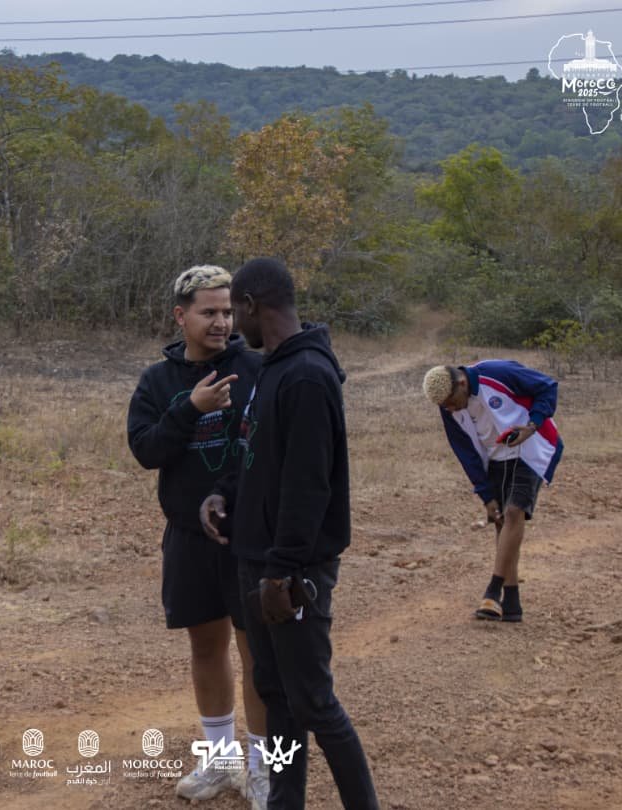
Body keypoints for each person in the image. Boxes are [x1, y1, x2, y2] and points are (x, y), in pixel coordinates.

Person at [200, 257, 379, 810]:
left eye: (236, 310)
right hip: (261, 559)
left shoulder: (305, 375)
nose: (233, 324)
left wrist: (282, 571)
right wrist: (225, 493)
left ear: (253, 304)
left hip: (292, 569)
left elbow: (308, 484)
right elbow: (260, 456)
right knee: (276, 697)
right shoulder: (274, 368)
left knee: (314, 703)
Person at [127, 265, 269, 807]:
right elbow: (146, 451)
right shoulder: (158, 382)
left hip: (249, 536)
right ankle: (220, 760)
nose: (222, 323)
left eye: (228, 312)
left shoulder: (255, 367)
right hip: (188, 535)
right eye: (209, 312)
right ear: (180, 316)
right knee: (206, 646)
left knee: (257, 653)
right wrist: (190, 408)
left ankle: (263, 770)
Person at [422, 361, 563, 623]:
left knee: (513, 513)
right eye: (444, 406)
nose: (450, 409)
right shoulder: (448, 407)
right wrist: (485, 494)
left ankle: (493, 590)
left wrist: (531, 425)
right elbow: (464, 451)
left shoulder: (497, 373)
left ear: (461, 383)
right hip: (495, 460)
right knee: (501, 521)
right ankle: (512, 603)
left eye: (451, 402)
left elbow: (547, 387)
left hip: (528, 450)